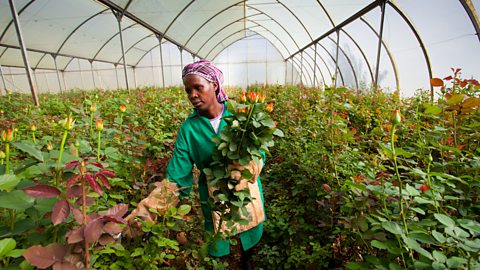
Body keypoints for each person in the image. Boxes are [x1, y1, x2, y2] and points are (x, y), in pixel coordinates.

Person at [126, 59, 265, 269]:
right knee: (218, 245)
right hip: (214, 195)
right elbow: (176, 179)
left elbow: (260, 153)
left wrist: (247, 167)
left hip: (245, 190)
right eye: (188, 90)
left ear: (215, 85)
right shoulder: (188, 130)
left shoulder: (241, 117)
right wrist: (146, 213)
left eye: (198, 87)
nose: (193, 95)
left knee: (249, 239)